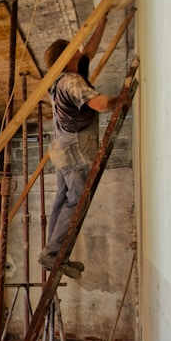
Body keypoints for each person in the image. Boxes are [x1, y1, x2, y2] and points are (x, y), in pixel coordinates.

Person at [39, 16, 114, 280]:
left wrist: (102, 20)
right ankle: (53, 253)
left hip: (62, 147)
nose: (80, 52)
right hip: (75, 149)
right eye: (75, 50)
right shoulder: (71, 81)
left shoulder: (64, 74)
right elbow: (101, 105)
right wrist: (121, 97)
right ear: (68, 58)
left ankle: (55, 254)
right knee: (77, 200)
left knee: (63, 199)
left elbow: (89, 51)